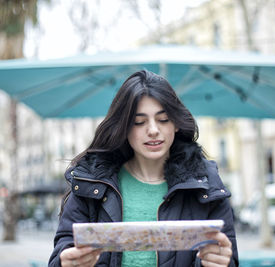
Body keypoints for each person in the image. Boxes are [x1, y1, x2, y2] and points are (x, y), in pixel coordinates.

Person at [48, 70, 238, 267]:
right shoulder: (91, 183)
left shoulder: (207, 185)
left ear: (176, 124)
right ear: (124, 128)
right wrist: (66, 262)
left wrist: (222, 262)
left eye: (163, 119)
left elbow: (228, 257)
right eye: (139, 122)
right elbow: (61, 253)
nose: (153, 130)